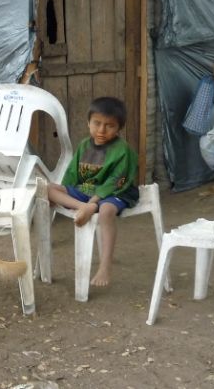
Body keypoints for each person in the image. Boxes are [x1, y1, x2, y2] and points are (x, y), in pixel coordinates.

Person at [48, 96, 139, 287]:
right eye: (97, 123)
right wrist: (76, 198)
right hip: (87, 192)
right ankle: (84, 207)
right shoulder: (84, 145)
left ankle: (105, 267)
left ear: (119, 128)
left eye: (109, 126)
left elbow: (116, 181)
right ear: (88, 122)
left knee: (106, 211)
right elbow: (73, 174)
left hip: (117, 191)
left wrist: (94, 202)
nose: (102, 130)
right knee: (48, 189)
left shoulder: (123, 150)